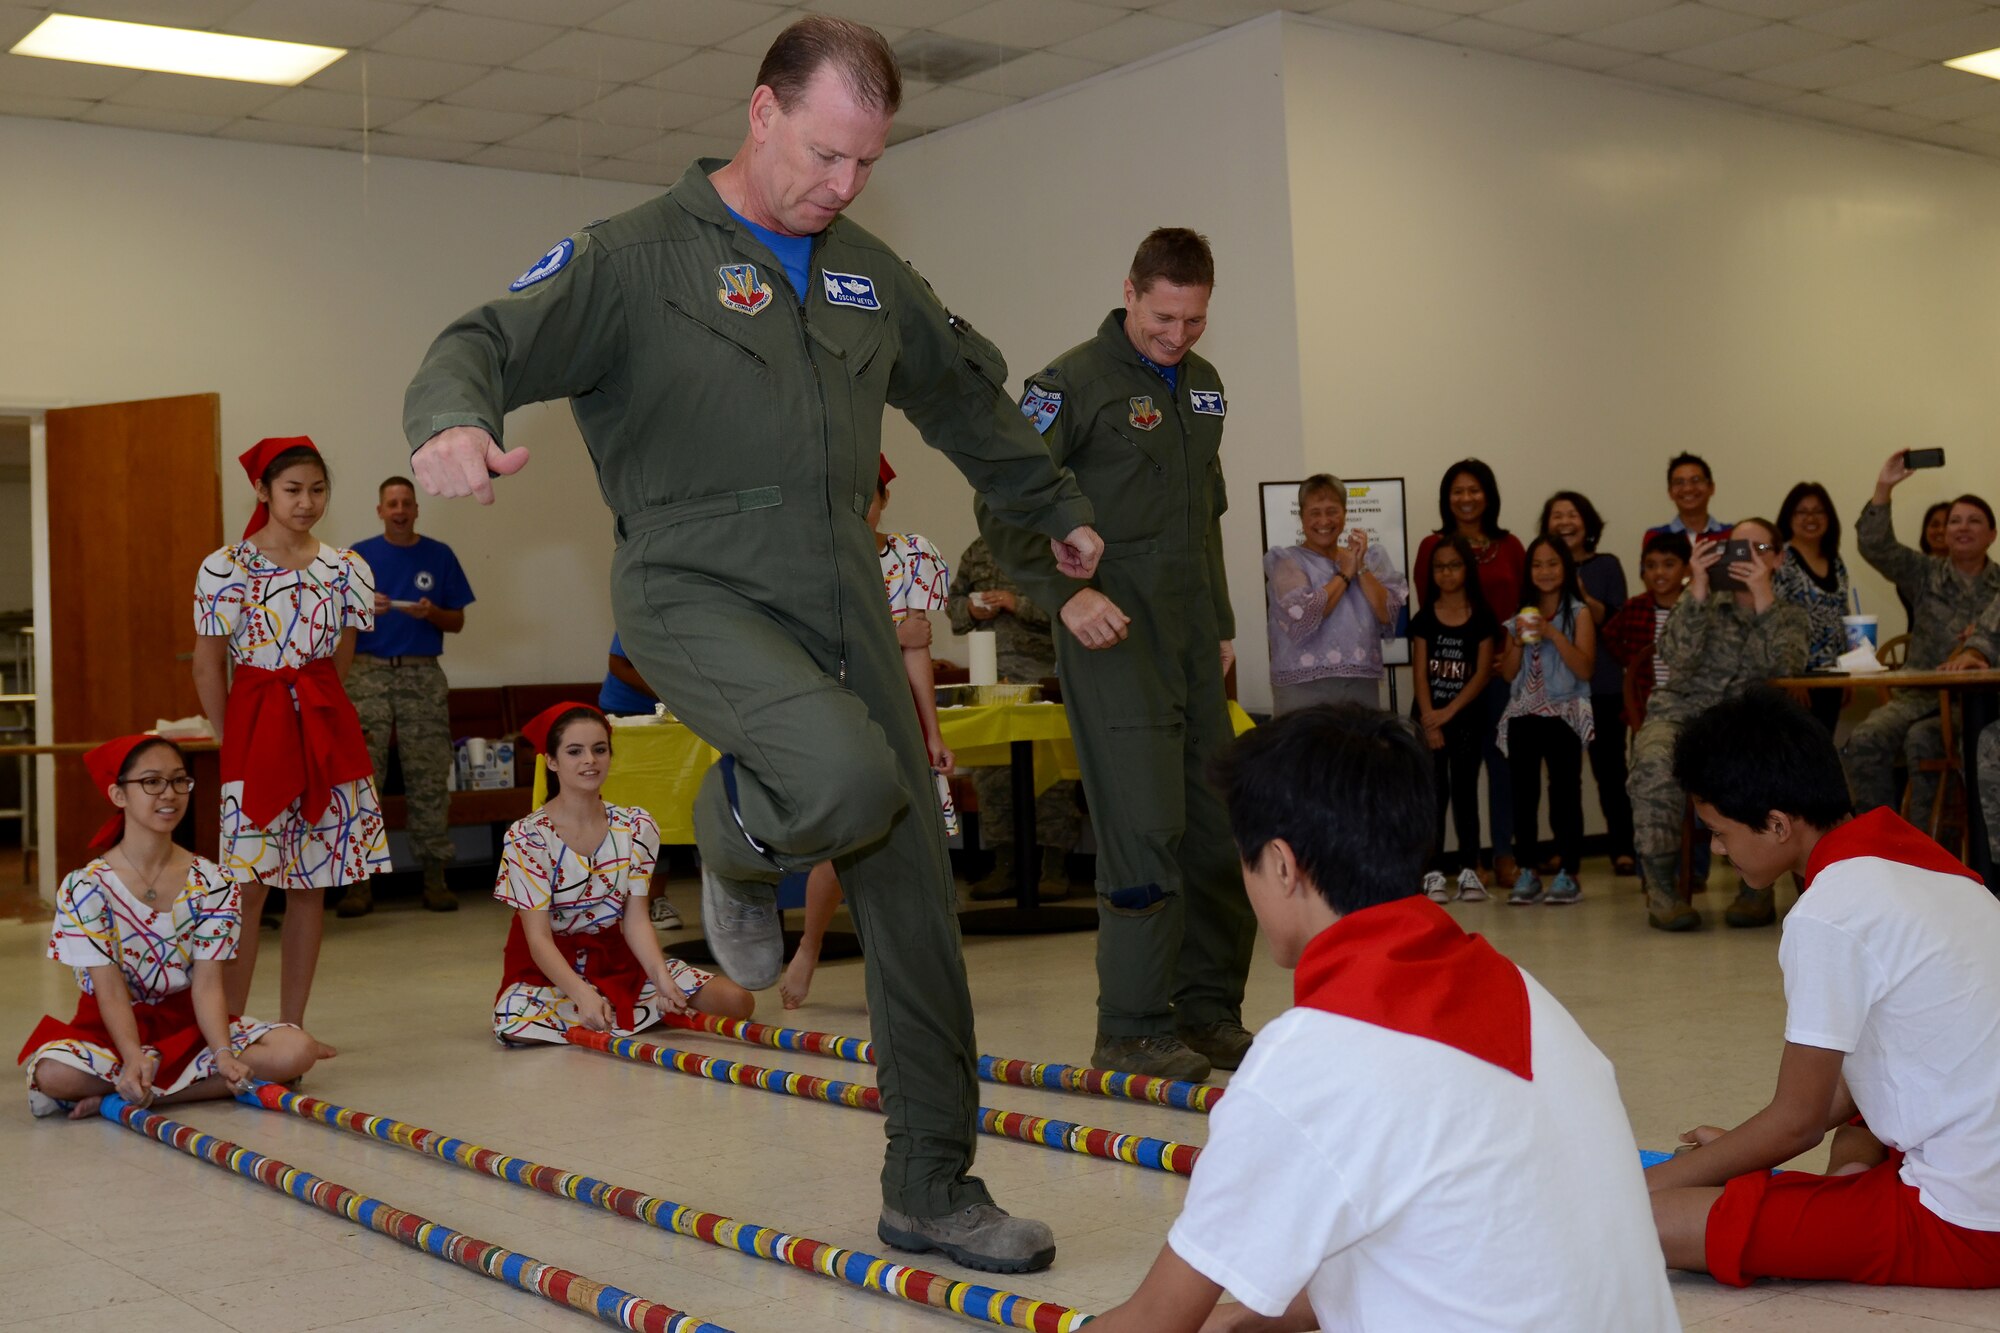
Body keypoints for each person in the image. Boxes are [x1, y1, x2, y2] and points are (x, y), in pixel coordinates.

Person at [402, 16, 1100, 1272]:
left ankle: (932, 1184)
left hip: (838, 578)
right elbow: (484, 340)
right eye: (825, 153)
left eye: (865, 166)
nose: (840, 185)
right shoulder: (632, 258)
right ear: (761, 112)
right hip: (690, 578)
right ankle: (734, 829)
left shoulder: (860, 271)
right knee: (835, 780)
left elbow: (964, 399)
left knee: (912, 890)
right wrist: (451, 419)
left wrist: (1054, 511)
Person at [1083, 706, 1678, 1333]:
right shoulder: (1523, 991)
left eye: (1245, 860)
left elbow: (1154, 1319)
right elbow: (1456, 1240)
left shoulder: (1309, 1057)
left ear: (1283, 866)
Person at [977, 227, 1253, 1083]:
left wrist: (1222, 621)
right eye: (1164, 316)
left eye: (1195, 320)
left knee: (1219, 827)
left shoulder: (1203, 387)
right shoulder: (1069, 386)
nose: (1178, 336)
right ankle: (1131, 1025)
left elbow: (1204, 515)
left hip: (1193, 640)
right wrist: (1067, 596)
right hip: (1114, 638)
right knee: (1145, 829)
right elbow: (1005, 505)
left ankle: (1206, 1012)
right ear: (1130, 291)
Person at [1646, 687, 2000, 1292]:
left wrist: (1656, 1183)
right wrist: (1737, 1152)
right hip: (1978, 1154)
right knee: (1857, 1117)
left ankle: (1834, 1211)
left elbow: (1797, 1123)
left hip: (1970, 1224)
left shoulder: (1828, 914)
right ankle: (1841, 1198)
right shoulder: (1919, 860)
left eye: (1721, 832)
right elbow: (1847, 1086)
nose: (1718, 849)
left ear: (1779, 824)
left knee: (1643, 1219)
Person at [192, 438, 384, 1047]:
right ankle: (230, 1031)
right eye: (293, 490)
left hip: (324, 731)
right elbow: (207, 665)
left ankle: (292, 1029)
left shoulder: (346, 566)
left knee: (311, 885)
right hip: (255, 734)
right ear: (264, 492)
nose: (306, 502)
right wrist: (234, 742)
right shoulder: (226, 566)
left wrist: (312, 712)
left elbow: (342, 654)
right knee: (246, 886)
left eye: (317, 490)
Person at [19, 736, 320, 1119]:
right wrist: (131, 1057)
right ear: (118, 794)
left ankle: (135, 1097)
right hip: (109, 1031)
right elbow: (109, 990)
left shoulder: (215, 880)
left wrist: (223, 1054)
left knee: (298, 1050)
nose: (169, 794)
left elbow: (208, 983)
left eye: (180, 781)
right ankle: (152, 1083)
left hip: (192, 1026)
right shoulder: (85, 886)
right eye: (151, 782)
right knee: (54, 1074)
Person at [781, 458, 957, 1009]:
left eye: (869, 499)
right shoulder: (812, 561)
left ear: (884, 501)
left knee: (917, 843)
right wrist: (893, 630)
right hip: (837, 713)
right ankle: (808, 945)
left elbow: (917, 650)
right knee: (845, 841)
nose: (860, 512)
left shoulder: (912, 555)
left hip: (896, 711)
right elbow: (812, 643)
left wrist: (931, 731)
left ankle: (912, 967)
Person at [494, 703, 753, 1045]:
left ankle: (623, 1010)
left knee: (737, 1002)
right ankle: (608, 1011)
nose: (590, 760)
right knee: (517, 1028)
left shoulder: (635, 826)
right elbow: (538, 940)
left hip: (618, 962)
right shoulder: (526, 836)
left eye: (599, 750)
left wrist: (660, 978)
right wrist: (582, 993)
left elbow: (636, 920)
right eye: (575, 751)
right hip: (549, 971)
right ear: (552, 761)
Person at [1627, 520, 1808, 931]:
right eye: (1735, 548)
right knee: (1655, 761)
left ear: (1778, 558)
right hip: (1680, 714)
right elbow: (1676, 657)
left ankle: (1756, 890)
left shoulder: (1789, 615)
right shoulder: (1700, 601)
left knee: (1762, 764)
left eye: (1758, 547)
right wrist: (1698, 589)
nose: (1745, 556)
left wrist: (1763, 600)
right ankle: (1661, 889)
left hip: (1746, 723)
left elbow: (1784, 671)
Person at [341, 475, 475, 917]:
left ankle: (434, 878)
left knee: (429, 777)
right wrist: (365, 609)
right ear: (379, 510)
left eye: (406, 503)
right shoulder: (357, 556)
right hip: (368, 676)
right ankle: (358, 886)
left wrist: (432, 612)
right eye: (391, 503)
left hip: (422, 676)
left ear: (416, 509)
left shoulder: (439, 555)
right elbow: (336, 621)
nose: (399, 510)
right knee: (362, 781)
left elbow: (456, 622)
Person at [1843, 453, 2000, 822]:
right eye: (1954, 521)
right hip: (1918, 696)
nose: (1963, 527)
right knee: (1864, 740)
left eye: (1974, 520)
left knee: (1923, 741)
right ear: (1943, 534)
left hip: (1982, 703)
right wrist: (1884, 487)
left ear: (1992, 534)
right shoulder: (1923, 574)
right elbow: (1876, 547)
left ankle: (1937, 853)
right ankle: (1879, 847)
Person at [946, 535, 1080, 902]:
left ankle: (1054, 865)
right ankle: (1004, 862)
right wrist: (971, 612)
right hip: (991, 678)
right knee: (993, 771)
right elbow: (954, 601)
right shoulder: (977, 549)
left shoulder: (1055, 544)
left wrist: (1015, 604)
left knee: (1049, 772)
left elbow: (1071, 607)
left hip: (1044, 675)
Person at [1415, 460, 1525, 886]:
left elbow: (1522, 605)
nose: (1466, 498)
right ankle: (1455, 862)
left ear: (1489, 495)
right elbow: (1428, 614)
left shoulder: (1510, 545)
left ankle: (1503, 853)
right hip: (1447, 676)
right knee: (1450, 774)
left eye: (1474, 490)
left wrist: (1511, 652)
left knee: (1500, 765)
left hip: (1497, 675)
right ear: (1447, 498)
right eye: (1457, 491)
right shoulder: (1433, 546)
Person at [1603, 532, 1711, 892]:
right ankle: (1651, 874)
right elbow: (1612, 639)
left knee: (1698, 797)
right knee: (1651, 784)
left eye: (1668, 564)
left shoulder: (1698, 606)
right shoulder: (1635, 609)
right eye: (1650, 566)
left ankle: (1694, 870)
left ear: (1686, 569)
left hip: (1696, 710)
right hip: (1653, 713)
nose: (1659, 572)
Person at [1496, 537, 1596, 905]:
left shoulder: (1578, 613)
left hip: (1564, 713)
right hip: (1524, 712)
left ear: (1566, 567)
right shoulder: (1519, 615)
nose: (1545, 571)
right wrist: (1519, 641)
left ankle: (1569, 872)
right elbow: (1507, 674)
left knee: (1565, 792)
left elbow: (1586, 667)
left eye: (1553, 563)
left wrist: (1553, 633)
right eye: (1537, 565)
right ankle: (1527, 870)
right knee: (1523, 794)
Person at [1542, 490, 1633, 875]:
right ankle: (1566, 850)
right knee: (1562, 779)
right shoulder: (1543, 568)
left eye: (1573, 515)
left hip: (1604, 686)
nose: (1565, 522)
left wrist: (1580, 595)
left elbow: (1616, 623)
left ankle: (1623, 848)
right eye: (1557, 515)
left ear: (1587, 522)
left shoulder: (1607, 565)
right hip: (1557, 690)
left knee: (1611, 773)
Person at [1263, 474, 1406, 713]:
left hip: (1361, 686)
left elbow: (1388, 614)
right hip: (1304, 689)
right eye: (1315, 512)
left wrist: (1359, 567)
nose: (1324, 520)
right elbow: (1305, 616)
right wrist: (1344, 574)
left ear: (1345, 513)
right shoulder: (1287, 562)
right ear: (1301, 517)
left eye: (1332, 511)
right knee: (1305, 751)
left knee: (1360, 749)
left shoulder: (1368, 559)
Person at [1410, 535, 1498, 904]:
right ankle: (1431, 872)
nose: (1447, 573)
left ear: (1467, 569)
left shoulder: (1482, 617)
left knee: (1465, 792)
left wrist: (1449, 713)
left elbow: (1480, 675)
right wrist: (1431, 720)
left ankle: (1469, 869)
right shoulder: (1424, 618)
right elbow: (1419, 673)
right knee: (1432, 795)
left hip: (1464, 720)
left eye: (1454, 565)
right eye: (1440, 566)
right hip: (1427, 720)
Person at [596, 632, 684, 930]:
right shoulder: (645, 608)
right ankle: (631, 901)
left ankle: (657, 900)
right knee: (639, 809)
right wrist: (668, 693)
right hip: (629, 718)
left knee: (679, 807)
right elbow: (618, 665)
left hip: (683, 718)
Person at [1771, 482, 1853, 736]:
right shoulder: (1781, 561)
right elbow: (1774, 620)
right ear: (1789, 517)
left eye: (1818, 511)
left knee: (1823, 748)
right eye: (1802, 512)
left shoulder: (1836, 562)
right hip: (1796, 678)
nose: (1811, 518)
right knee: (1797, 753)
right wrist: (1791, 678)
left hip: (1832, 675)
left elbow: (1843, 615)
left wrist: (1848, 672)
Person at [1645, 452, 1728, 543]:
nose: (1688, 488)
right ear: (1670, 492)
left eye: (1696, 480)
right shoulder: (1656, 537)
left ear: (1711, 488)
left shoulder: (1732, 534)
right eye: (1679, 482)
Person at [1902, 500, 1953, 630]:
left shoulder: (1971, 569)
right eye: (1934, 525)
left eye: (1947, 524)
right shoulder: (1914, 567)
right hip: (1921, 645)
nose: (1941, 530)